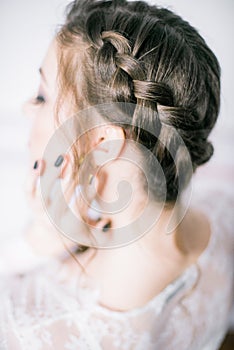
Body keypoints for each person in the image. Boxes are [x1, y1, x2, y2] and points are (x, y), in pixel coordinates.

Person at [0, 0, 233, 349]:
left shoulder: (33, 328)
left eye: (42, 96)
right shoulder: (223, 212)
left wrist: (36, 243)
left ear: (103, 143)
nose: (25, 107)